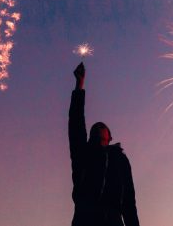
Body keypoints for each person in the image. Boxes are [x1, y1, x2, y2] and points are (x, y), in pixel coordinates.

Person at [68, 62, 140, 226]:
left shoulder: (120, 159)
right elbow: (76, 124)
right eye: (95, 126)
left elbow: (129, 202)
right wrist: (79, 86)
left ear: (109, 137)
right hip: (85, 218)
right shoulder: (83, 154)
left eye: (102, 126)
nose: (98, 125)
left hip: (113, 220)